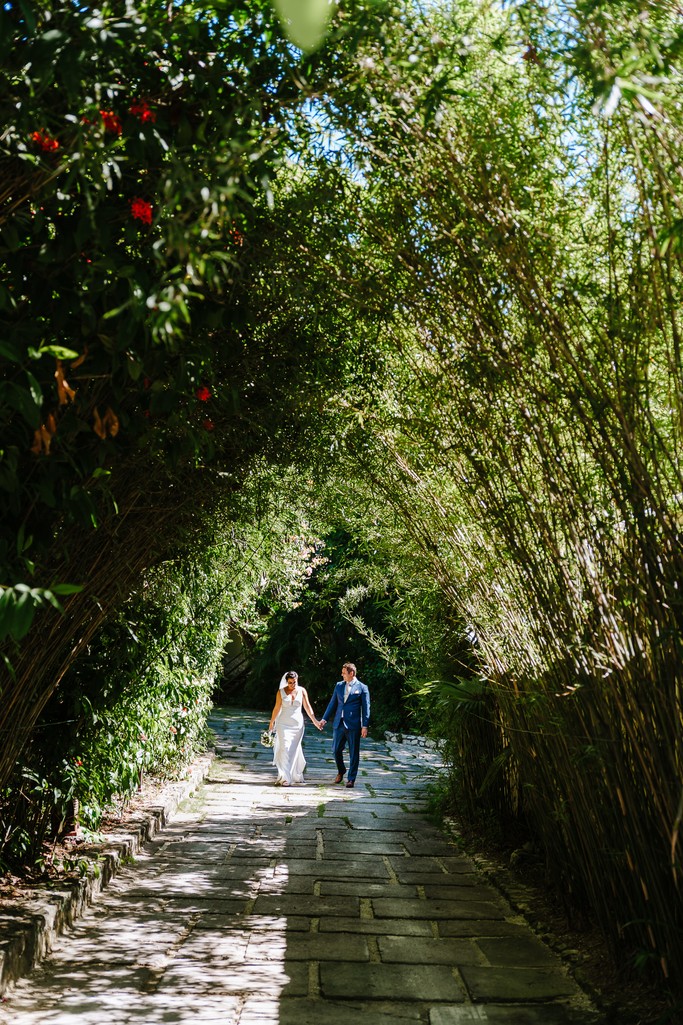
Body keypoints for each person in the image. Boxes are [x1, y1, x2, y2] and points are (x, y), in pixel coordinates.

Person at [320, 662, 370, 788]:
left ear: (351, 673)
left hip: (354, 725)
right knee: (335, 750)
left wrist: (365, 726)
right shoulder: (339, 686)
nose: (342, 675)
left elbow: (366, 708)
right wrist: (324, 719)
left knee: (354, 752)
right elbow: (332, 703)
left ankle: (351, 779)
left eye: (344, 673)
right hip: (339, 723)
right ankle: (341, 771)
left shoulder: (362, 688)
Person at [268, 671, 321, 786]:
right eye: (290, 682)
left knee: (293, 750)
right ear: (287, 682)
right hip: (283, 724)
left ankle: (290, 775)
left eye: (294, 682)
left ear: (297, 680)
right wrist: (272, 722)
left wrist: (315, 721)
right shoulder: (281, 692)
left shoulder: (302, 691)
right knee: (285, 748)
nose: (293, 684)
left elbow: (307, 707)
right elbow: (276, 708)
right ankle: (285, 778)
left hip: (297, 725)